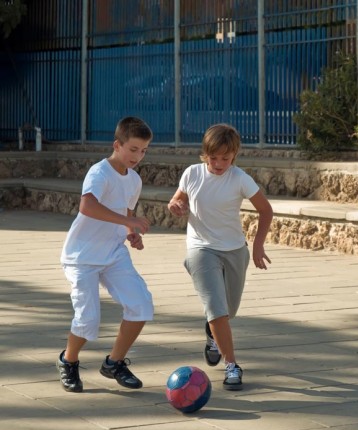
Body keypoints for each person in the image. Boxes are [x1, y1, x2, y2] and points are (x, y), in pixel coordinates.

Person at [167, 123, 273, 391]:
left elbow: (266, 210)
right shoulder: (192, 174)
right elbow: (176, 200)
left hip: (235, 249)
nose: (218, 163)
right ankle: (232, 365)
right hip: (200, 248)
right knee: (217, 308)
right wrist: (176, 206)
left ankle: (212, 334)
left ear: (234, 155)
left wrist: (258, 246)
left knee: (228, 310)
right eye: (213, 157)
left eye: (225, 158)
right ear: (205, 153)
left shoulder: (240, 178)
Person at [56, 116, 154, 393]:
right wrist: (128, 223)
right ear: (117, 145)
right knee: (88, 320)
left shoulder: (134, 180)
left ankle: (114, 363)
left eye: (144, 150)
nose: (138, 156)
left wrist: (131, 234)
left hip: (113, 254)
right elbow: (87, 206)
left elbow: (127, 215)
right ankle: (68, 361)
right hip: (82, 257)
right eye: (133, 149)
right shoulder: (99, 172)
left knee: (141, 305)